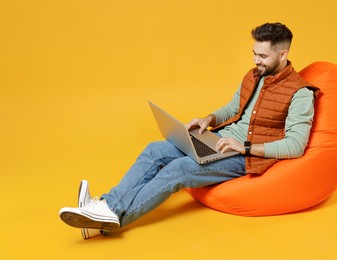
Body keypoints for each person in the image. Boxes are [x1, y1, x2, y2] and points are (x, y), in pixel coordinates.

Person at [59, 22, 317, 239]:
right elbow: (234, 107)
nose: (255, 61)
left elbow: (295, 146)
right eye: (254, 53)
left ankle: (106, 218)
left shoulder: (300, 93)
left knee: (178, 169)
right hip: (219, 142)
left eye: (262, 56)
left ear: (282, 55)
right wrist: (208, 119)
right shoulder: (254, 75)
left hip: (246, 158)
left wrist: (244, 147)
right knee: (155, 150)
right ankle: (106, 207)